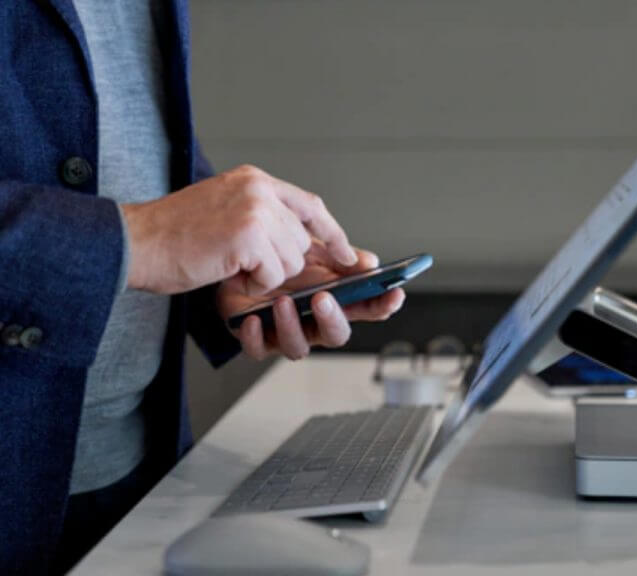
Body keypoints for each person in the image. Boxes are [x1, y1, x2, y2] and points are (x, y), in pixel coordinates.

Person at [0, 1, 404, 573]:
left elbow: (131, 151)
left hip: (141, 483)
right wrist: (140, 239)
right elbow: (142, 227)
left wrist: (234, 275)